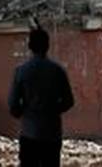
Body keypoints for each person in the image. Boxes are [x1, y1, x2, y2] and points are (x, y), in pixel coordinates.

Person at [8, 28, 75, 167]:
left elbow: (13, 105)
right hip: (52, 133)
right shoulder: (57, 71)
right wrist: (53, 110)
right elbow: (69, 101)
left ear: (30, 46)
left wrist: (24, 112)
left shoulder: (22, 71)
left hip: (29, 132)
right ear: (47, 45)